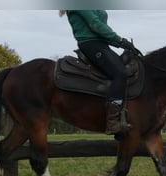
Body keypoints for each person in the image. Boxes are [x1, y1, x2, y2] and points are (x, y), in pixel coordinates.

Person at [59, 10, 138, 138]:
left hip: (102, 45)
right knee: (120, 73)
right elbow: (95, 25)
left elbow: (104, 30)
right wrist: (121, 40)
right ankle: (113, 121)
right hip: (91, 44)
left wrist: (121, 44)